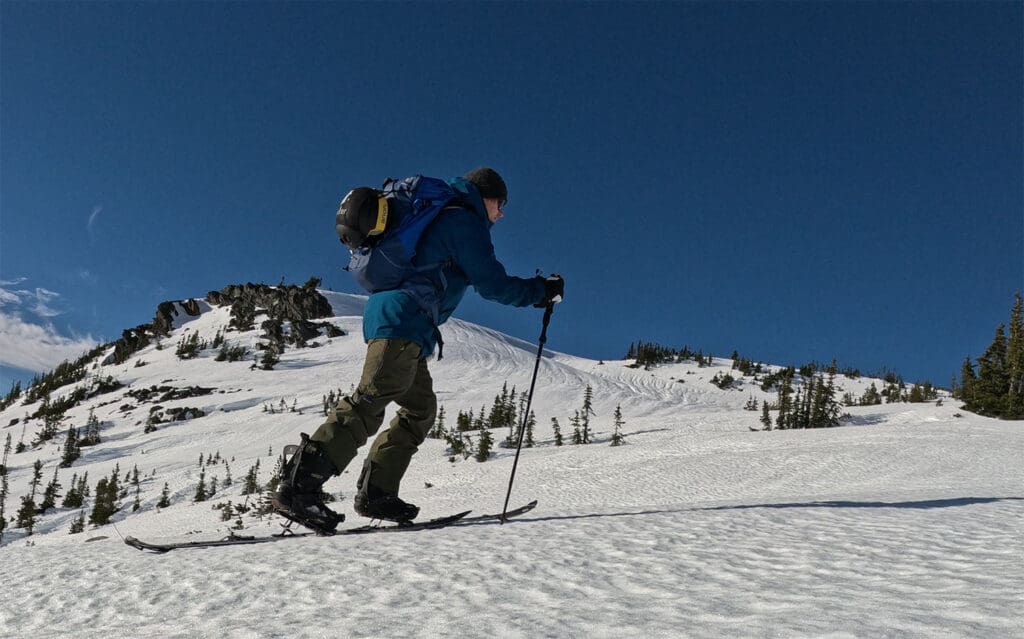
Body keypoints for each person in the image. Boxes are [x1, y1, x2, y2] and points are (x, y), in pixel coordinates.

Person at [272, 167, 564, 531]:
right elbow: (494, 285)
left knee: (420, 408)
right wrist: (542, 291)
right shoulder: (463, 221)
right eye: (500, 203)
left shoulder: (444, 215)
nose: (501, 213)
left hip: (405, 321)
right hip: (402, 320)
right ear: (485, 196)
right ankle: (299, 488)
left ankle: (376, 492)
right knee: (371, 399)